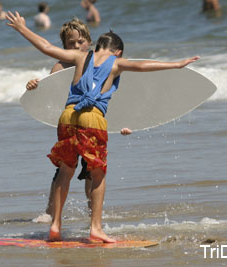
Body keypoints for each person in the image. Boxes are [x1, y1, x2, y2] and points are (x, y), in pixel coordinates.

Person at [6, 11, 199, 243]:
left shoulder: (79, 58)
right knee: (98, 173)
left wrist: (21, 28)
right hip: (91, 118)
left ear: (95, 45)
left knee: (65, 170)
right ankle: (96, 228)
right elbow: (143, 66)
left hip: (68, 116)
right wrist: (177, 64)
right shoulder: (117, 62)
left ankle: (55, 225)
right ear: (118, 51)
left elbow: (46, 46)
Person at [29, 18, 131, 224]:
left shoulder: (97, 62)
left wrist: (123, 124)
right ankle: (50, 212)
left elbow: (112, 95)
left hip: (92, 122)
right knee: (63, 168)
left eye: (80, 41)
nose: (76, 46)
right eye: (71, 43)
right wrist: (33, 86)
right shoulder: (60, 66)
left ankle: (91, 211)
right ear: (64, 45)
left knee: (91, 170)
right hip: (70, 120)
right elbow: (50, 94)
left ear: (90, 42)